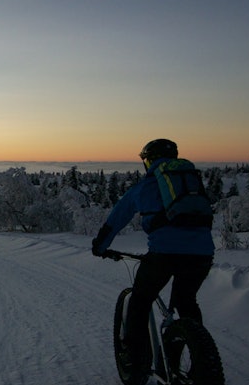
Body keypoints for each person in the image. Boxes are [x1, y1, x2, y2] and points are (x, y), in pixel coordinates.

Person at [91, 138, 214, 369]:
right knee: (186, 301)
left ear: (148, 161)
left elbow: (116, 220)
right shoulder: (191, 183)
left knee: (140, 300)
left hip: (164, 255)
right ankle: (200, 359)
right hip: (203, 255)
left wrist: (100, 247)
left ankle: (135, 360)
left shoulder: (144, 187)